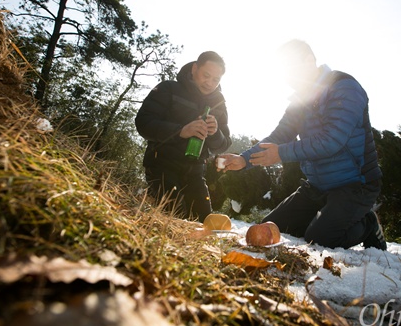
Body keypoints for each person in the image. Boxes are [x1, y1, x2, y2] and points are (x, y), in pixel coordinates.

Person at [220, 40, 387, 250]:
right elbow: (280, 135)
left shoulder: (345, 87)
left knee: (321, 239)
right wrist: (243, 160)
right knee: (270, 230)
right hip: (317, 187)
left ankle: (368, 224)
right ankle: (323, 220)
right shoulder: (299, 100)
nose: (288, 79)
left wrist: (281, 154)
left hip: (356, 186)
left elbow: (332, 140)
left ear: (309, 61)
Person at [135, 51, 232, 222]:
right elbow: (143, 123)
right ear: (195, 68)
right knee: (174, 219)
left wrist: (215, 132)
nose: (210, 83)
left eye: (216, 80)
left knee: (204, 223)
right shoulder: (168, 89)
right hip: (162, 166)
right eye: (206, 75)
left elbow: (222, 146)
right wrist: (181, 131)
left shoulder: (219, 103)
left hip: (195, 173)